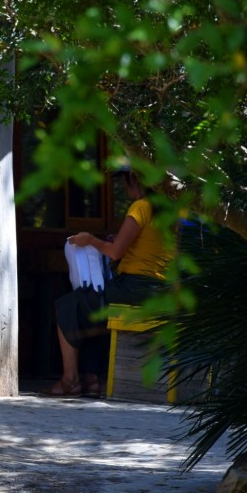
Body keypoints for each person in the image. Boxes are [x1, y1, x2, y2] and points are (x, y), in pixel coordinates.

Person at [50, 169, 173, 397]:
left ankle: (70, 380)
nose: (125, 190)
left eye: (125, 183)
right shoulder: (167, 210)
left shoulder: (141, 207)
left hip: (134, 289)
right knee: (90, 309)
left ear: (134, 180)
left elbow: (115, 253)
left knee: (68, 305)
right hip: (160, 290)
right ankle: (93, 379)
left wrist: (90, 240)